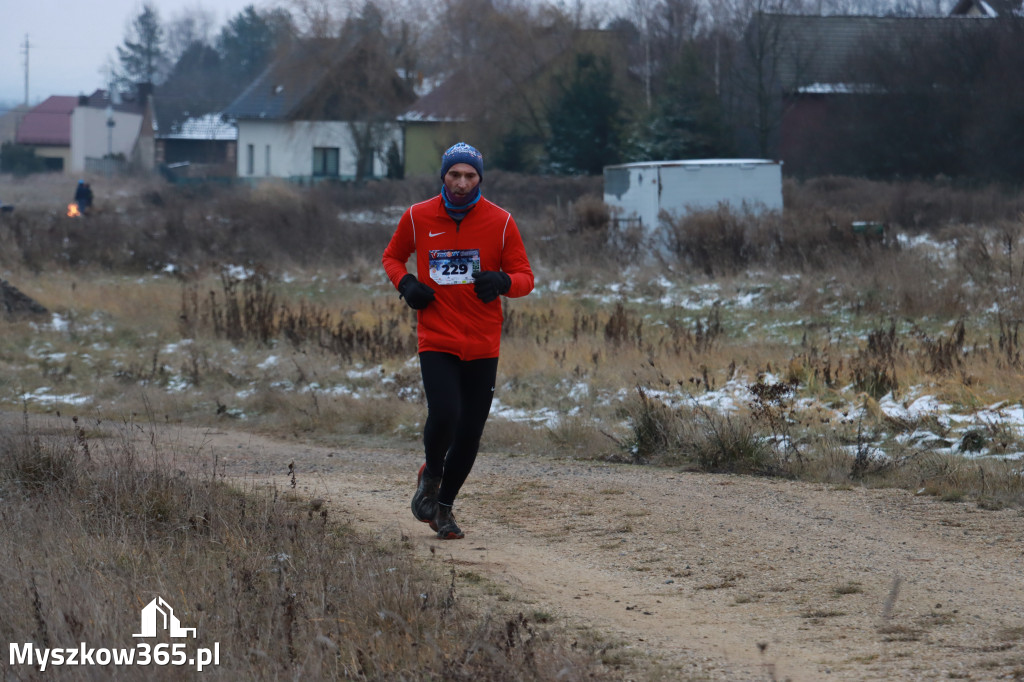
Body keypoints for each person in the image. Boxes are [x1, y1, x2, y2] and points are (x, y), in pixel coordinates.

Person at [382, 142, 534, 540]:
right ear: (444, 176)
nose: (463, 183)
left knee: (469, 431)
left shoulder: (501, 222)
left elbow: (525, 278)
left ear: (480, 178)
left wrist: (503, 282)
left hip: (484, 341)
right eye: (455, 175)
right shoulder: (417, 216)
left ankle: (443, 509)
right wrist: (407, 283)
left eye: (470, 176)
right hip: (437, 335)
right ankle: (431, 472)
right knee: (446, 413)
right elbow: (392, 257)